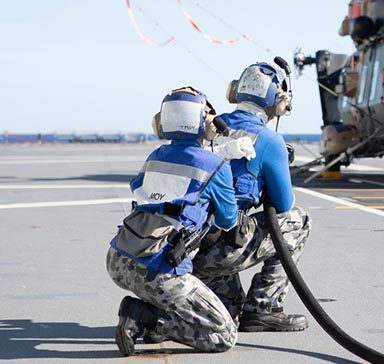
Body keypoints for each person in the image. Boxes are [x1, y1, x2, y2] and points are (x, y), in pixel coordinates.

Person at [106, 86, 246, 356]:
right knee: (223, 335)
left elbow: (142, 188)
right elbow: (228, 220)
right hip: (158, 267)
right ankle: (143, 317)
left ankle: (149, 312)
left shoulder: (155, 157)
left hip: (118, 258)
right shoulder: (216, 165)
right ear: (204, 121)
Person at [192, 62, 312, 333]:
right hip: (222, 249)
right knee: (298, 221)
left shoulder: (211, 126)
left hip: (190, 250)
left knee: (229, 315)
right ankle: (264, 308)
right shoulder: (269, 141)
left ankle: (229, 301)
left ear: (236, 91)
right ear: (277, 100)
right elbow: (283, 205)